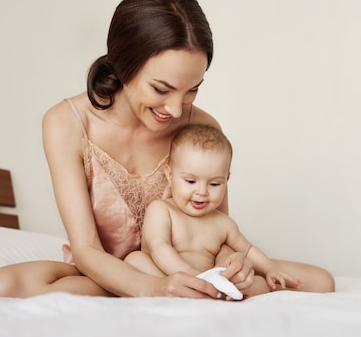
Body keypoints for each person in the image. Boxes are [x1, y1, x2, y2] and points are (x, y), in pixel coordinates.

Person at [0, 0, 334, 299]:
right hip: (105, 273)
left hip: (194, 267)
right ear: (124, 63)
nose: (177, 109)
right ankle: (148, 291)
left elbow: (217, 226)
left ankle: (206, 289)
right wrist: (157, 287)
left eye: (192, 89)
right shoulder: (67, 123)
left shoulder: (203, 127)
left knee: (320, 280)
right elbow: (86, 250)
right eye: (162, 89)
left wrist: (233, 264)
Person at [126, 123, 304, 297]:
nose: (202, 192)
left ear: (227, 180)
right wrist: (192, 276)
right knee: (134, 260)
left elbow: (248, 249)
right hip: (168, 276)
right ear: (170, 175)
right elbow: (159, 246)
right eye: (190, 181)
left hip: (210, 279)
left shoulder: (223, 223)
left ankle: (212, 294)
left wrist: (270, 268)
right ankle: (196, 292)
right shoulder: (162, 210)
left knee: (261, 284)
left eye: (214, 184)